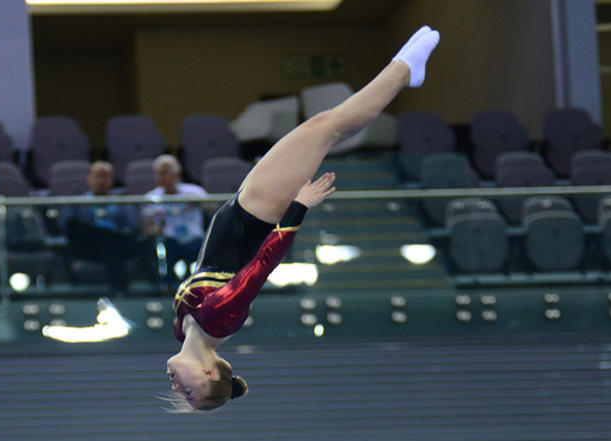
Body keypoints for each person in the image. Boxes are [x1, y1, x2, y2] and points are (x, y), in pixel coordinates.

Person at [164, 25, 439, 410]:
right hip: (259, 213)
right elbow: (262, 265)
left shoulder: (184, 330)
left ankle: (405, 69)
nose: (177, 388)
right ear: (211, 373)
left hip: (245, 207)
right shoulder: (219, 319)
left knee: (325, 127)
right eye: (191, 392)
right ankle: (405, 70)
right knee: (327, 128)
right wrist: (299, 208)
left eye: (182, 394)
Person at [63, 161, 144, 296]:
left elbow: (132, 226)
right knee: (102, 238)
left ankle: (118, 291)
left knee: (111, 243)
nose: (102, 181)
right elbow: (68, 227)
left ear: (112, 180)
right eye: (98, 176)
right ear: (89, 179)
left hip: (116, 246)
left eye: (106, 177)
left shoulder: (121, 202)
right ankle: (120, 290)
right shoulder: (77, 202)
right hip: (88, 247)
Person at [142, 155, 208, 280]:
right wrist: (154, 229)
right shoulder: (151, 197)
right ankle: (167, 287)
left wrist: (200, 203)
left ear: (177, 174)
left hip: (195, 239)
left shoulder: (194, 191)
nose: (162, 177)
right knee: (161, 250)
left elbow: (213, 208)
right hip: (169, 241)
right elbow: (147, 228)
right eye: (158, 173)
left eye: (165, 173)